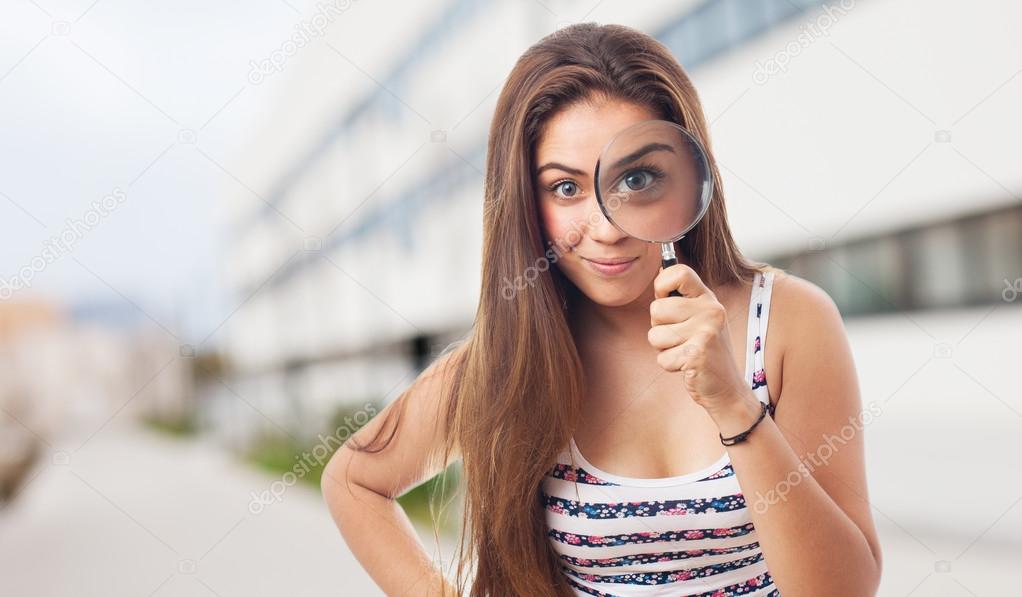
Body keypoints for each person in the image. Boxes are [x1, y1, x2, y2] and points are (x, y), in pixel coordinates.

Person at [321, 22, 882, 597]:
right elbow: (354, 481)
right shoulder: (508, 362)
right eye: (565, 189)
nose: (606, 228)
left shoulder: (789, 321)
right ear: (524, 203)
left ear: (688, 177)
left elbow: (844, 590)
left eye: (636, 178)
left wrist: (732, 403)